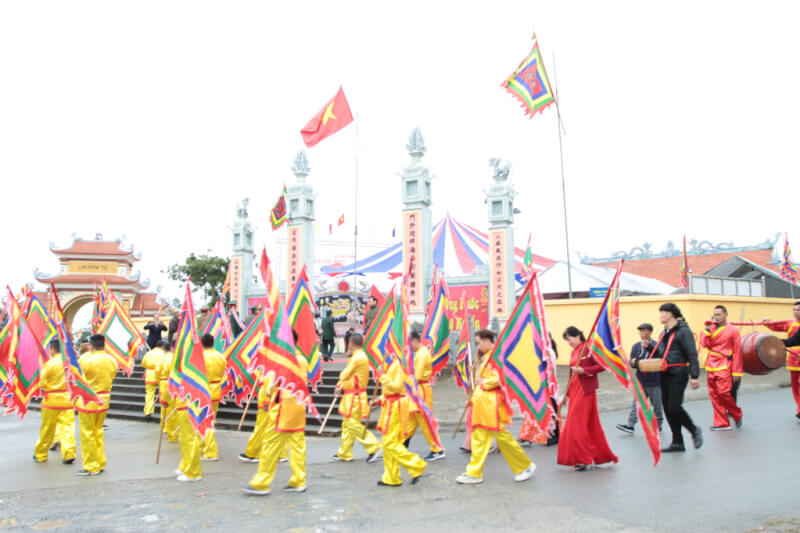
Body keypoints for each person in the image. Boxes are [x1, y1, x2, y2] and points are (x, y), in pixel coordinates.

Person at [457, 329, 536, 484]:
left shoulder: (496, 356)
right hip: (483, 404)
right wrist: (472, 398)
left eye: (479, 342)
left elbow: (501, 377)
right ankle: (474, 472)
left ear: (488, 341)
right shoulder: (486, 357)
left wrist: (484, 383)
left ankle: (525, 466)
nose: (478, 346)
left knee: (503, 439)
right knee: (479, 438)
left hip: (492, 405)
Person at [242, 330, 308, 495]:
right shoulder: (302, 360)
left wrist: (269, 395)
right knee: (298, 445)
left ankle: (262, 482)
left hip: (283, 406)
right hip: (298, 405)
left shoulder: (284, 360)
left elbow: (272, 385)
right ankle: (299, 480)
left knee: (270, 445)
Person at [557, 327, 618, 471]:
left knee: (576, 425)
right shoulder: (574, 351)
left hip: (586, 391)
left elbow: (603, 365)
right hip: (575, 389)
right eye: (567, 340)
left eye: (569, 339)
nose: (569, 342)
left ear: (578, 335)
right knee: (587, 426)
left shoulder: (588, 348)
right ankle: (594, 456)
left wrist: (585, 371)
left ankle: (582, 459)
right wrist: (565, 395)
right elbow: (570, 375)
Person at [654, 303, 702, 453]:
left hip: (679, 372)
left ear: (670, 314)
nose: (660, 316)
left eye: (662, 312)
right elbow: (660, 354)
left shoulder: (683, 331)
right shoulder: (663, 333)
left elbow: (692, 354)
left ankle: (694, 430)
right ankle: (677, 441)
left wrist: (694, 375)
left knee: (674, 406)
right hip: (664, 373)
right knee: (668, 409)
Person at [374, 352, 427, 487]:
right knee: (389, 443)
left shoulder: (399, 365)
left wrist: (382, 376)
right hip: (390, 404)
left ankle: (416, 465)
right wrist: (379, 399)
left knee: (390, 443)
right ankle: (392, 477)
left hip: (395, 407)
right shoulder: (393, 363)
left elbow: (397, 388)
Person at [333, 333, 381, 463]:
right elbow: (348, 375)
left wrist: (339, 384)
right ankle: (345, 452)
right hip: (352, 395)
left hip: (354, 396)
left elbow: (346, 373)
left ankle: (372, 446)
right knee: (347, 425)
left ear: (351, 344)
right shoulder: (359, 356)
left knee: (351, 424)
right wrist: (340, 385)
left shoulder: (357, 357)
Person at [75, 334, 117, 476]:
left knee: (87, 433)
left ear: (91, 345)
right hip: (104, 398)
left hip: (88, 398)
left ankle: (91, 465)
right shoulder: (111, 360)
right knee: (98, 431)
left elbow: (77, 376)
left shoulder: (85, 359)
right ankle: (99, 462)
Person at [699, 305, 743, 431]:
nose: (716, 317)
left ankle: (736, 413)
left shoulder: (733, 330)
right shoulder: (711, 328)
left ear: (725, 314)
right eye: (714, 315)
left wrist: (737, 372)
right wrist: (706, 331)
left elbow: (737, 351)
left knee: (724, 393)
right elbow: (704, 344)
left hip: (724, 364)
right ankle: (722, 423)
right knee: (714, 395)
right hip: (711, 364)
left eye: (719, 314)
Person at [33, 339, 76, 465]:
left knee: (47, 428)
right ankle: (69, 454)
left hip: (51, 400)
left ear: (52, 349)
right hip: (67, 399)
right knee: (67, 428)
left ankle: (41, 454)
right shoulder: (69, 364)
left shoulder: (49, 364)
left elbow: (42, 382)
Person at [404, 331, 445, 461]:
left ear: (415, 341)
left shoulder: (422, 354)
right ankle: (400, 443)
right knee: (411, 418)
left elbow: (418, 375)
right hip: (418, 390)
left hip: (421, 390)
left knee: (425, 421)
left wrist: (405, 381)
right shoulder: (421, 353)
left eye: (410, 344)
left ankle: (437, 449)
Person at [616, 323, 664, 434]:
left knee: (656, 404)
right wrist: (632, 362)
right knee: (637, 403)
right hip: (641, 379)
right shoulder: (636, 346)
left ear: (650, 332)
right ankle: (630, 425)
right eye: (640, 331)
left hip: (654, 379)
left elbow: (661, 357)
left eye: (644, 330)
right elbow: (632, 362)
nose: (642, 333)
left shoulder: (657, 345)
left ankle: (658, 424)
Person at [763, 301, 800, 420]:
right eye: (794, 310)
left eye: (798, 310)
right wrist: (767, 323)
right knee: (795, 385)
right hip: (793, 356)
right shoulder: (790, 323)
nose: (796, 312)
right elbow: (792, 339)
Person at [239, 374, 288, 464]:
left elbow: (269, 385)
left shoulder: (271, 368)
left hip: (269, 402)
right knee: (277, 427)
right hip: (277, 400)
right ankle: (281, 454)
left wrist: (266, 401)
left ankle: (253, 453)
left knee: (261, 428)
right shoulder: (278, 366)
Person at [201, 333, 227, 461]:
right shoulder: (220, 356)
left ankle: (211, 451)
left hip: (203, 390)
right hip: (216, 389)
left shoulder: (200, 358)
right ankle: (203, 447)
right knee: (207, 420)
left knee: (205, 422)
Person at [156, 342, 179, 443]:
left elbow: (157, 373)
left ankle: (167, 430)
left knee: (165, 410)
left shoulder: (162, 359)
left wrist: (159, 383)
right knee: (176, 409)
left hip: (164, 384)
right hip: (175, 384)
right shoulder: (176, 359)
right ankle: (176, 432)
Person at [141, 340, 168, 420]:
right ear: (162, 346)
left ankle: (148, 412)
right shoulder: (163, 354)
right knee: (163, 393)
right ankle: (164, 412)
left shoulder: (149, 353)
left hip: (149, 374)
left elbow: (143, 363)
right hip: (160, 375)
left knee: (149, 394)